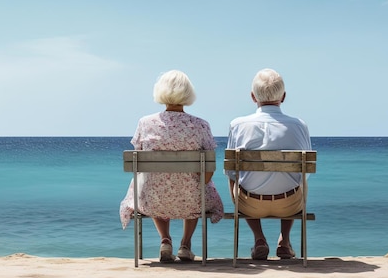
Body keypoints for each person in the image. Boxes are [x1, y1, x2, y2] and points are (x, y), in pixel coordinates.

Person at [120, 70, 224, 263]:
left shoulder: (145, 123)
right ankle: (185, 244)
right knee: (197, 185)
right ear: (188, 93)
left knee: (152, 183)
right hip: (193, 201)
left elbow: (139, 167)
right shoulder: (201, 125)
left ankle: (165, 240)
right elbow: (208, 174)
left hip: (153, 200)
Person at [225, 68, 312, 260]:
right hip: (290, 204)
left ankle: (259, 239)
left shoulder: (237, 125)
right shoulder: (299, 125)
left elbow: (230, 172)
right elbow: (304, 174)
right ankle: (285, 241)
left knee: (233, 178)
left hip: (249, 204)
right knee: (300, 179)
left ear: (252, 96)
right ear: (284, 96)